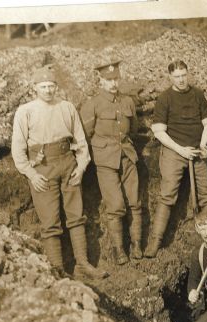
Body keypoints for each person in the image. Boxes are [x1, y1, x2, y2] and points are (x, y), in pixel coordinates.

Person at [11, 65, 107, 279]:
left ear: (56, 87)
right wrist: (31, 174)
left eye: (51, 86)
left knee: (76, 216)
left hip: (68, 164)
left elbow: (80, 140)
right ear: (34, 88)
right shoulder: (25, 111)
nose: (48, 90)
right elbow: (18, 148)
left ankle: (83, 264)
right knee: (50, 222)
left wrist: (81, 167)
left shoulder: (67, 107)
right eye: (43, 86)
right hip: (43, 168)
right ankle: (58, 270)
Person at [144, 60, 207, 258]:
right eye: (177, 76)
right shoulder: (165, 98)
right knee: (167, 194)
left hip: (196, 150)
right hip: (174, 151)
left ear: (188, 74)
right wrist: (180, 150)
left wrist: (202, 145)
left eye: (183, 75)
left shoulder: (197, 94)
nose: (181, 80)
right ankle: (155, 242)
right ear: (170, 77)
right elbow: (159, 132)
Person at [80, 61, 142, 265]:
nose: (113, 83)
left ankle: (137, 245)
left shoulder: (127, 101)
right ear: (101, 80)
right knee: (115, 205)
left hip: (127, 156)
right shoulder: (93, 104)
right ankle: (119, 250)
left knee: (134, 202)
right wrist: (98, 153)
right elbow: (85, 135)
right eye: (109, 80)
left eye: (116, 79)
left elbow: (133, 129)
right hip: (106, 161)